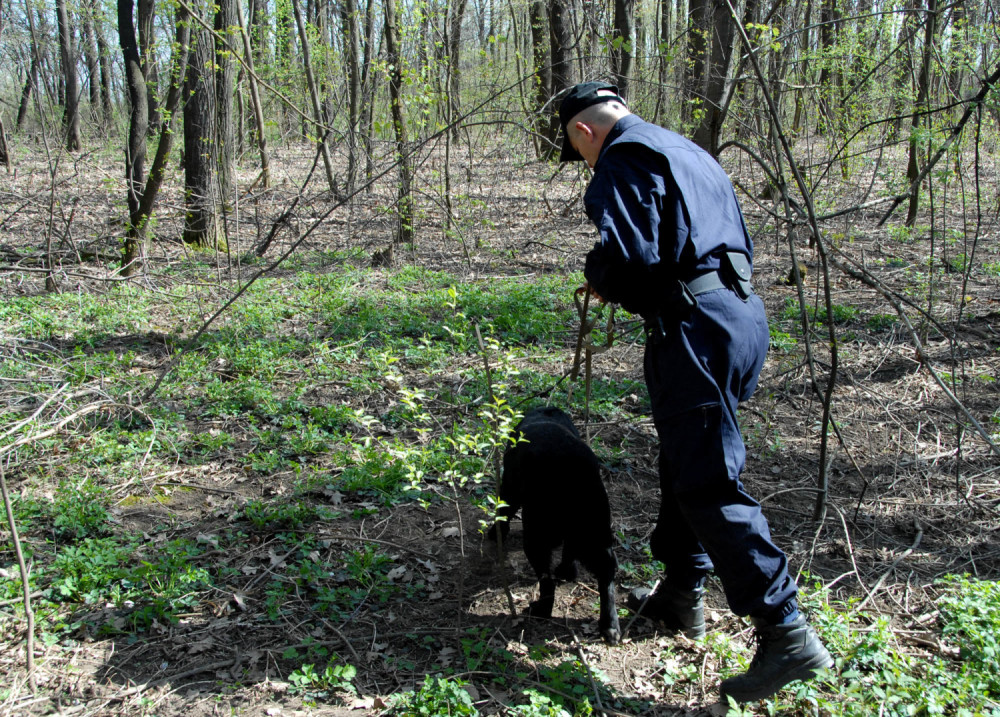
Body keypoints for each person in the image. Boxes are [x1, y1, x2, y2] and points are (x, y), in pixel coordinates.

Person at [557, 81, 833, 704]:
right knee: (686, 458)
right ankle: (683, 593)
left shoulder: (624, 156)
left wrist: (597, 273)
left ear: (585, 133)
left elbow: (631, 257)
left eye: (580, 155)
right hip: (738, 316)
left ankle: (785, 630)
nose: (586, 163)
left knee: (706, 478)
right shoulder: (687, 149)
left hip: (694, 328)